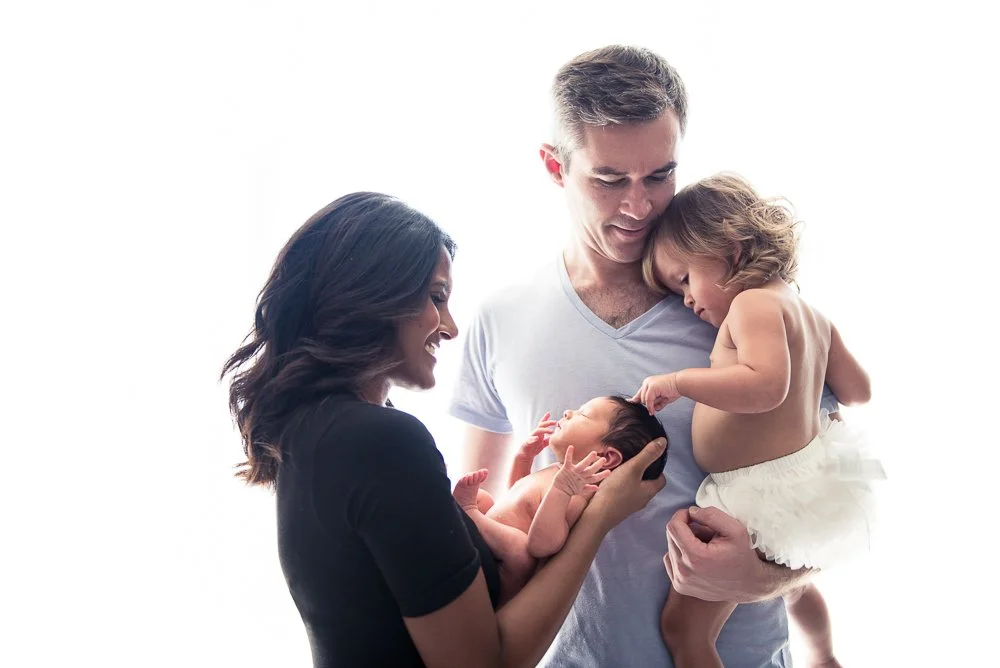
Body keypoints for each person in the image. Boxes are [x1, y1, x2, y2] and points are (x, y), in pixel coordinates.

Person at [449, 45, 839, 666]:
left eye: (659, 176)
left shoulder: (741, 309)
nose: (639, 206)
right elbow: (471, 539)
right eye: (609, 180)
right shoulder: (501, 321)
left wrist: (768, 577)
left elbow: (828, 499)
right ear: (555, 166)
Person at [220, 192, 667, 668]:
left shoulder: (315, 432)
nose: (451, 328)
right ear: (373, 295)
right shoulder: (379, 441)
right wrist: (600, 517)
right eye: (436, 298)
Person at [633, 173, 882, 667]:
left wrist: (680, 382)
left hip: (756, 494)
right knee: (793, 586)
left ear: (731, 247)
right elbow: (859, 392)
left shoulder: (751, 304)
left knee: (684, 629)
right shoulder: (811, 315)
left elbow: (766, 387)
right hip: (801, 484)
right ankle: (824, 656)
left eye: (684, 279)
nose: (686, 300)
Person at [454, 396, 667, 604]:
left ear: (606, 457)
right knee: (483, 498)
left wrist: (561, 490)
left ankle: (471, 514)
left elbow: (541, 546)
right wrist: (524, 458)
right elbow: (517, 497)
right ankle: (471, 514)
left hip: (501, 572)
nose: (568, 412)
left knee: (520, 551)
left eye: (583, 414)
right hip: (488, 544)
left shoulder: (577, 495)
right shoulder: (556, 472)